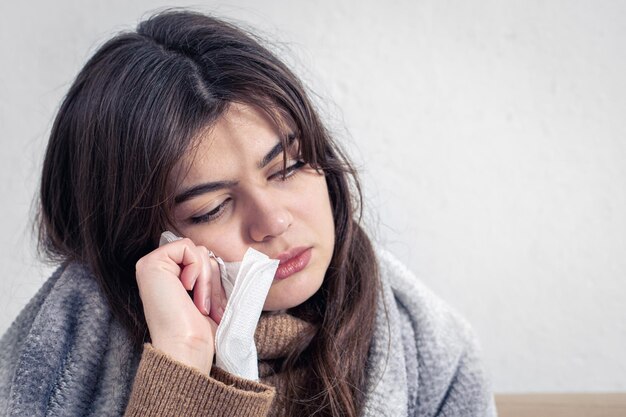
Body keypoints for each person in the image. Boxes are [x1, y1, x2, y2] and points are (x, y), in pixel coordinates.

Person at [0, 9, 496, 417]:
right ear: (143, 241)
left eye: (289, 167)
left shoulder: (429, 345)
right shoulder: (64, 353)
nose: (274, 222)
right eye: (213, 207)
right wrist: (181, 371)